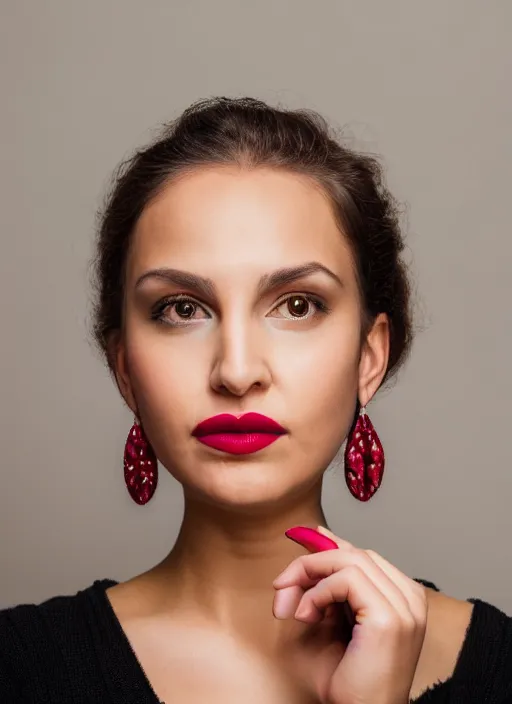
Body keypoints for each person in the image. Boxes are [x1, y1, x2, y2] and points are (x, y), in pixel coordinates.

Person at [1, 97, 511, 704]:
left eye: (297, 305)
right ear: (125, 370)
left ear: (368, 357)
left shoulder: (498, 671)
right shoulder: (19, 671)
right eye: (182, 309)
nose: (237, 372)